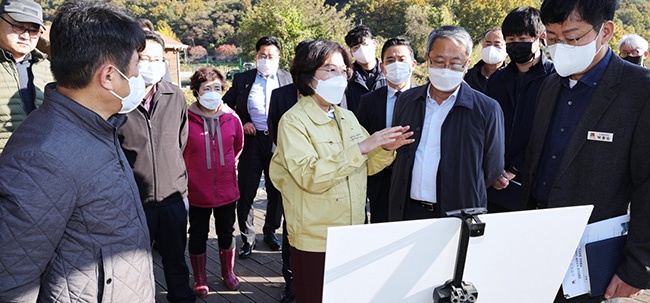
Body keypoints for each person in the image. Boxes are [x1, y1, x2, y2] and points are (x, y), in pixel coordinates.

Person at [0, 1, 155, 301]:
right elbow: (12, 281)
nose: (141, 77)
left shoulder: (99, 125)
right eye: (137, 66)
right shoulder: (42, 157)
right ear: (108, 76)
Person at [523, 1, 650, 302]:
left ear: (605, 32)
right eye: (552, 39)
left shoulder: (639, 92)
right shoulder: (550, 85)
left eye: (573, 37)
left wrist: (637, 267)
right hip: (535, 242)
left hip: (595, 257)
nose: (561, 47)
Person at [269, 39, 413, 303]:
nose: (339, 76)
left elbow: (366, 166)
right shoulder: (293, 121)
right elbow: (309, 176)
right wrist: (361, 148)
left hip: (351, 233)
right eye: (329, 69)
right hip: (316, 240)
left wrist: (386, 149)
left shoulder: (346, 117)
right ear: (309, 76)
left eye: (342, 70)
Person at [388, 25, 505, 221]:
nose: (446, 69)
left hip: (459, 214)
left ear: (467, 64)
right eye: (439, 61)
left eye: (455, 63)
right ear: (427, 60)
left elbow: (492, 169)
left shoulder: (486, 109)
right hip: (408, 211)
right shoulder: (406, 101)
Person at [117, 30, 194, 303]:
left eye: (157, 58)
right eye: (144, 58)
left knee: (176, 260)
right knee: (132, 265)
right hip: (134, 200)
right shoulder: (120, 101)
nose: (152, 64)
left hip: (173, 196)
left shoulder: (175, 96)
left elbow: (180, 142)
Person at [223, 36, 292, 258]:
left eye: (271, 56)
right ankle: (247, 237)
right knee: (246, 190)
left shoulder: (287, 79)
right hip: (251, 141)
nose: (266, 59)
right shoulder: (243, 79)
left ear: (279, 58)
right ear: (256, 56)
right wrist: (242, 122)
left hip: (277, 141)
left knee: (276, 190)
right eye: (263, 55)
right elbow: (225, 104)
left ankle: (270, 231)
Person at [483, 6, 555, 213]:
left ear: (540, 37)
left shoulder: (555, 79)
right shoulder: (497, 79)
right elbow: (486, 125)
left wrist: (515, 168)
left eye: (523, 39)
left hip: (533, 182)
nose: (516, 45)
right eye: (511, 40)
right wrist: (493, 168)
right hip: (493, 180)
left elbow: (550, 131)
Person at [185, 67, 244, 297]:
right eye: (207, 88)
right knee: (198, 233)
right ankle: (200, 278)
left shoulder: (232, 118)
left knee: (227, 232)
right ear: (196, 92)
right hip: (197, 189)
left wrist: (226, 166)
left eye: (217, 88)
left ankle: (227, 273)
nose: (212, 92)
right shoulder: (186, 119)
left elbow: (237, 146)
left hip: (227, 188)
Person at [267, 38, 313, 303]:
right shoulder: (282, 94)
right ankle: (290, 284)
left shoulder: (340, 90)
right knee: (291, 228)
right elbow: (274, 127)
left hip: (329, 178)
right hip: (293, 172)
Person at [356, 37, 417, 223]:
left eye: (402, 59)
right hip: (380, 181)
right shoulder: (368, 101)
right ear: (382, 67)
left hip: (414, 181)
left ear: (413, 64)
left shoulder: (425, 99)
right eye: (390, 60)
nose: (396, 64)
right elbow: (360, 138)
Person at [0, 0, 54, 154]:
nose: (25, 36)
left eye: (33, 30)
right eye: (18, 26)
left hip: (40, 166)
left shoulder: (50, 68)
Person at [344, 25, 387, 113]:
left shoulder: (388, 73)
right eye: (356, 48)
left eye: (365, 44)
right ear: (351, 53)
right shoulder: (347, 77)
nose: (362, 50)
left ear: (374, 43)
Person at [464, 28, 507, 93]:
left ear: (506, 48)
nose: (491, 48)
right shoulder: (468, 77)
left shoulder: (512, 78)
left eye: (497, 45)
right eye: (488, 44)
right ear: (482, 45)